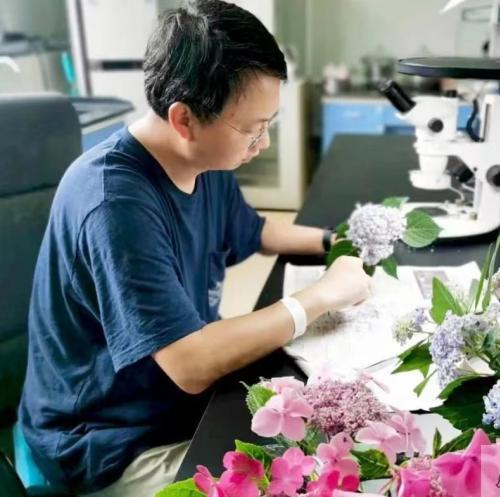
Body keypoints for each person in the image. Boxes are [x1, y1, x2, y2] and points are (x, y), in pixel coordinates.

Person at [18, 2, 371, 496]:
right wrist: (318, 298)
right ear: (184, 119)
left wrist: (335, 244)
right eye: (253, 128)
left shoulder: (203, 161)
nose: (264, 143)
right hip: (110, 441)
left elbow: (254, 229)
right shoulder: (114, 203)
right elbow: (191, 364)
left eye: (268, 123)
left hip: (174, 401)